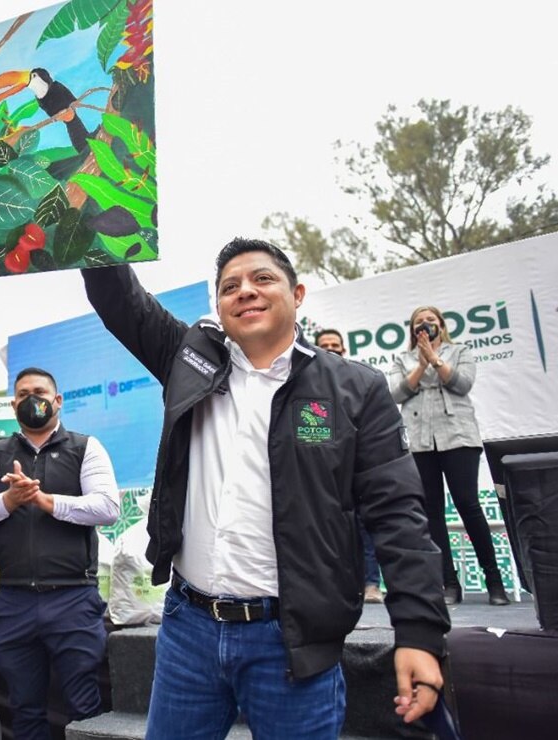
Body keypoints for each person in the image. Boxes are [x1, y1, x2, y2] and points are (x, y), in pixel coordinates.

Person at [82, 239, 450, 738]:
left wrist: (420, 634)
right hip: (188, 631)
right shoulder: (188, 360)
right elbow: (119, 299)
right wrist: (91, 218)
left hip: (293, 640)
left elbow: (399, 518)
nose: (245, 292)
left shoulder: (355, 389)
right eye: (229, 286)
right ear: (219, 307)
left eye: (262, 279)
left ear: (297, 295)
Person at [0, 368, 119, 740]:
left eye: (40, 391)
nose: (32, 399)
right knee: (24, 709)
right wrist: (9, 500)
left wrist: (46, 502)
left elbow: (108, 507)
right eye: (23, 394)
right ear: (13, 404)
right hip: (15, 600)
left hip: (72, 597)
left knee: (84, 707)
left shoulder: (85, 447)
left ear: (57, 400)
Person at [389, 305, 508, 606]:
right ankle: (449, 583)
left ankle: (494, 582)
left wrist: (435, 359)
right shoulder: (402, 359)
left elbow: (462, 383)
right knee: (431, 512)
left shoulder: (460, 351)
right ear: (412, 330)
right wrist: (420, 364)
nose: (425, 324)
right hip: (419, 441)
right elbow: (395, 394)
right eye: (419, 322)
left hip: (458, 437)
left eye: (430, 320)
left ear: (441, 325)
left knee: (468, 505)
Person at [314, 329, 384, 605]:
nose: (331, 349)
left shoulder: (361, 382)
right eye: (325, 345)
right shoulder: (305, 384)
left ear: (344, 350)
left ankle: (371, 584)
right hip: (322, 472)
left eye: (335, 345)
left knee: (366, 529)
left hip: (356, 468)